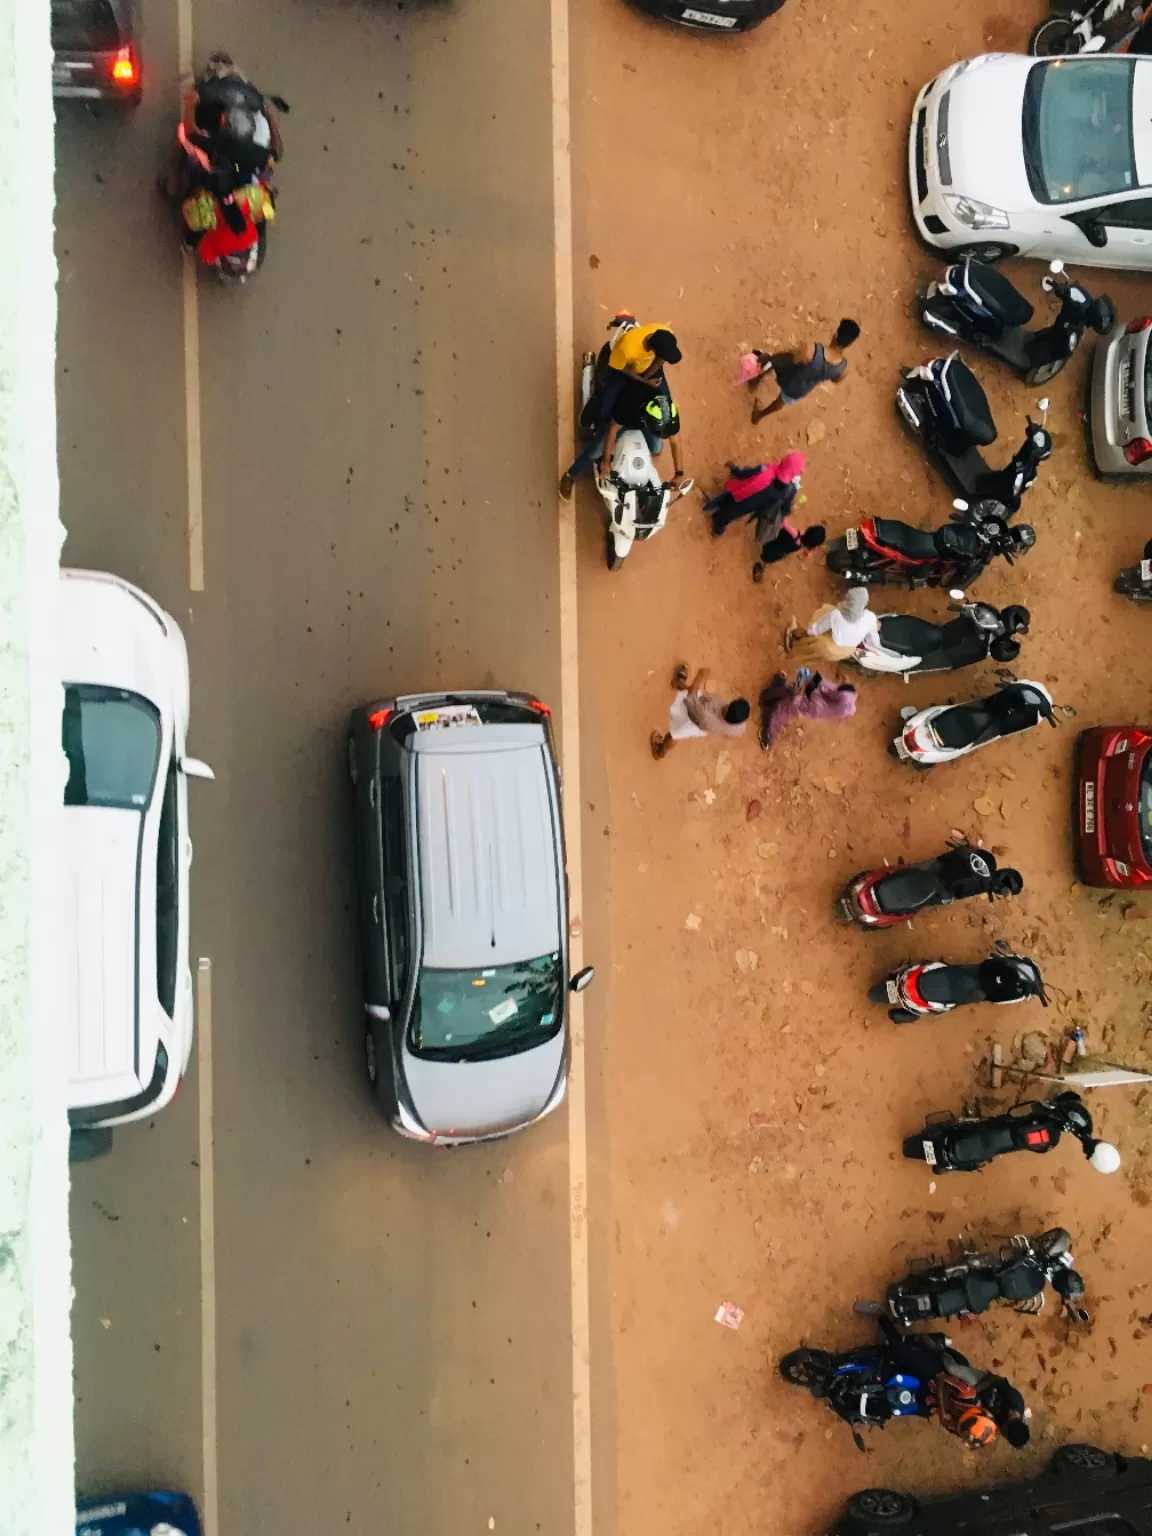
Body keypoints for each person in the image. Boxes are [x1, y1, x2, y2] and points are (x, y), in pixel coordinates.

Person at [561, 380, 685, 494]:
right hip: (624, 421)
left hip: (644, 421)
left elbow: (675, 442)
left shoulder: (667, 412)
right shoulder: (630, 404)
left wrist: (679, 473)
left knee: (657, 448)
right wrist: (606, 461)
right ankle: (571, 474)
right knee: (596, 450)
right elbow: (612, 432)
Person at [751, 318, 861, 423]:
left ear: (835, 335)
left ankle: (757, 379)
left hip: (789, 375)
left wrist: (769, 358)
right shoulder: (844, 369)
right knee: (782, 401)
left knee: (777, 361)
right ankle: (758, 416)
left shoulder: (812, 351)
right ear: (849, 344)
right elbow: (835, 380)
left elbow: (785, 359)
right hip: (801, 388)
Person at [651, 664, 749, 760]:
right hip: (703, 706)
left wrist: (700, 676)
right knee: (695, 694)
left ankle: (660, 751)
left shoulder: (706, 718)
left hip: (694, 720)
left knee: (675, 734)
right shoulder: (740, 725)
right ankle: (679, 684)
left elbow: (691, 698)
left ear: (728, 707)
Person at [705, 451, 806, 539]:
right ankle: (718, 529)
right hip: (750, 507)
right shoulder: (789, 491)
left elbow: (745, 474)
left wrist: (734, 469)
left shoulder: (764, 469)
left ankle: (712, 514)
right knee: (730, 516)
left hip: (739, 494)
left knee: (724, 503)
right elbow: (785, 508)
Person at [757, 669, 857, 750]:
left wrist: (802, 690)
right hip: (810, 696)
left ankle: (768, 735)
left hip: (805, 703)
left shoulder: (820, 706)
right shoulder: (844, 701)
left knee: (784, 708)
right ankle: (776, 690)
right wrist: (810, 679)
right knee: (799, 680)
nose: (838, 684)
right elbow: (823, 685)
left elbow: (805, 698)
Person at [787, 587, 878, 666]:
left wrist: (804, 633)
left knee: (823, 616)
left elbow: (815, 630)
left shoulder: (836, 614)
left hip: (828, 647)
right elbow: (874, 643)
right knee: (821, 647)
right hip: (844, 652)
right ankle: (802, 652)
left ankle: (794, 642)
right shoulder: (871, 618)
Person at [753, 521, 826, 583]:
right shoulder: (803, 544)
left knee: (769, 546)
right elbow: (809, 552)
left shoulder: (795, 534)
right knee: (769, 557)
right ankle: (762, 569)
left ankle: (761, 566)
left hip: (777, 541)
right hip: (781, 551)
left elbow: (784, 523)